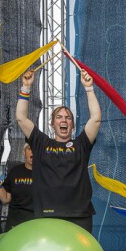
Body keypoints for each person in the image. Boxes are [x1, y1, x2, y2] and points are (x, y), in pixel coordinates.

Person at [16, 69, 101, 233]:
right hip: (47, 215)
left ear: (72, 125)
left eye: (68, 117)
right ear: (52, 124)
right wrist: (26, 87)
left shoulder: (81, 144)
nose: (64, 120)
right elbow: (21, 117)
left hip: (79, 215)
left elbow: (96, 118)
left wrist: (89, 88)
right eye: (59, 117)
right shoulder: (41, 142)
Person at [0, 143, 34, 231]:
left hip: (36, 226)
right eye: (29, 149)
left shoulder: (46, 173)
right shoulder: (15, 172)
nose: (33, 152)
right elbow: (5, 199)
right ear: (24, 152)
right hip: (15, 225)